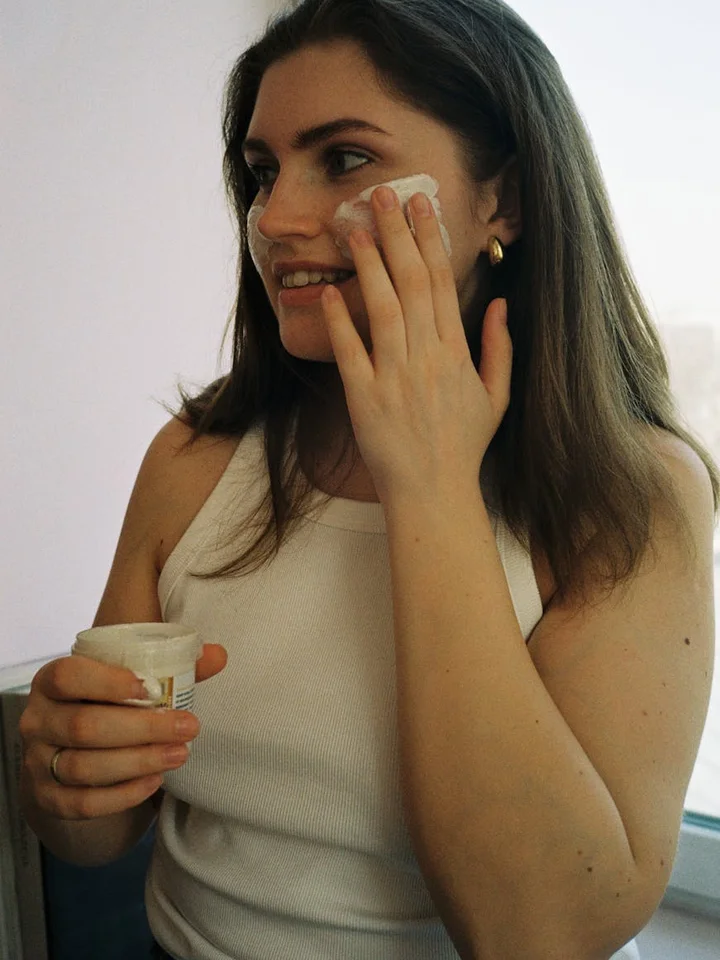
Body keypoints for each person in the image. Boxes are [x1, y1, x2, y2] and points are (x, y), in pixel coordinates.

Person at [18, 1, 719, 958]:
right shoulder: (194, 457)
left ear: (502, 200)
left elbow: (540, 933)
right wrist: (68, 779)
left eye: (345, 159)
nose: (274, 218)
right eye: (261, 173)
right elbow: (96, 831)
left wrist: (429, 480)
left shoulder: (634, 495)